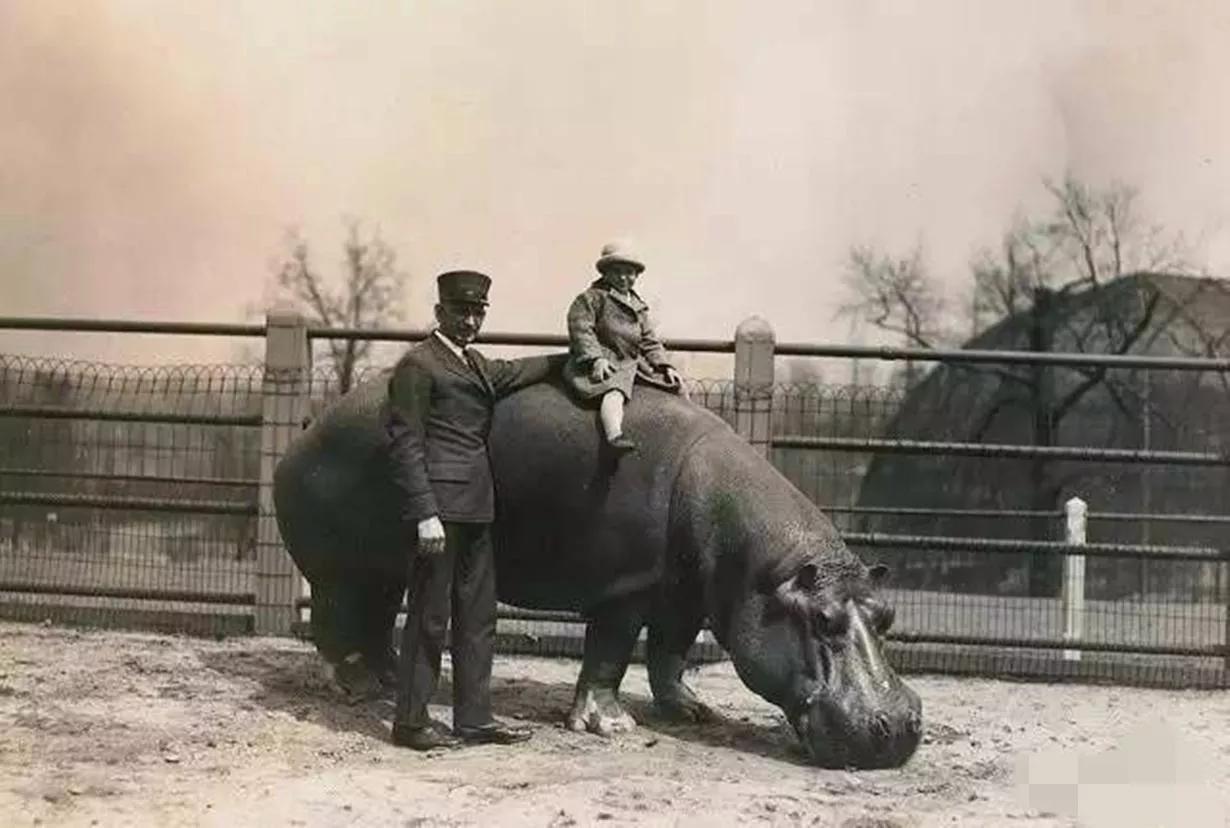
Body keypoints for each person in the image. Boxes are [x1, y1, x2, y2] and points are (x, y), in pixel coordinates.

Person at [384, 269, 564, 751]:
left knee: (479, 618)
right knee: (429, 618)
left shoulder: (477, 364)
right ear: (439, 311)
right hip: (439, 513)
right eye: (460, 311)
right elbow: (405, 443)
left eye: (477, 312)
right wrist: (424, 513)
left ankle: (474, 719)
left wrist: (575, 356)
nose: (469, 321)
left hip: (478, 508)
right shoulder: (418, 365)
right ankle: (410, 723)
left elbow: (519, 371)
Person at [562, 240, 685, 453]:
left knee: (676, 385)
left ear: (636, 275)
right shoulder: (591, 298)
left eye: (629, 273)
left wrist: (665, 366)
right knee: (614, 391)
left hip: (631, 361)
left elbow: (649, 340)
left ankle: (683, 434)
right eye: (617, 272)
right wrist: (596, 358)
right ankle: (614, 435)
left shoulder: (638, 306)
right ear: (605, 273)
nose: (623, 278)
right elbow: (582, 329)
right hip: (606, 359)